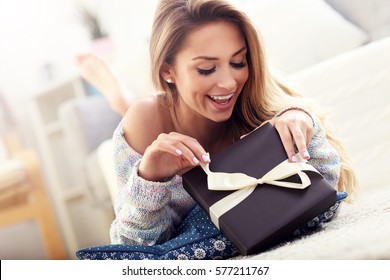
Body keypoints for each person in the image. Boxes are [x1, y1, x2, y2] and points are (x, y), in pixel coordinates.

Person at [109, 0, 357, 246]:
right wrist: (149, 179)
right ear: (167, 71)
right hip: (160, 108)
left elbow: (326, 196)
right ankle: (115, 93)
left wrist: (304, 122)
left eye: (238, 62)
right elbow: (131, 246)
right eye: (206, 69)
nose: (229, 83)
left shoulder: (262, 110)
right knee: (131, 103)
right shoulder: (144, 121)